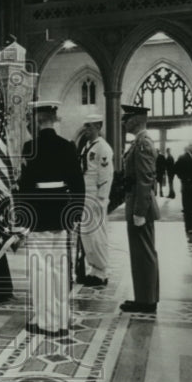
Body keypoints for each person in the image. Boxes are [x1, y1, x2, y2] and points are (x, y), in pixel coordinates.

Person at [17, 101, 85, 338]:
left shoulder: (29, 147)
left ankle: (47, 322)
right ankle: (62, 317)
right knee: (59, 268)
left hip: (38, 216)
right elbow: (78, 182)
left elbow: (24, 187)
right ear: (54, 120)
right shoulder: (67, 146)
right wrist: (75, 213)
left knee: (41, 270)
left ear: (36, 120)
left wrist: (21, 218)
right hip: (61, 214)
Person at [119, 105, 160, 315]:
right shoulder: (139, 142)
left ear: (137, 119)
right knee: (141, 253)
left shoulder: (143, 143)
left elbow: (145, 178)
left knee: (143, 253)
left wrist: (140, 211)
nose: (124, 121)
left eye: (127, 118)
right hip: (136, 201)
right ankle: (145, 297)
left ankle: (146, 301)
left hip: (139, 204)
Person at [77, 113, 113, 287]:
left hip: (95, 195)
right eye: (85, 126)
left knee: (97, 234)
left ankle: (102, 271)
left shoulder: (103, 148)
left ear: (98, 127)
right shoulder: (87, 147)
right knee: (87, 234)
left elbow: (106, 175)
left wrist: (102, 198)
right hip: (85, 195)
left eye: (90, 126)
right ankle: (93, 269)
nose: (86, 130)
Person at [173, 141, 192, 234]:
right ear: (188, 146)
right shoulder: (182, 157)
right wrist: (184, 179)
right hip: (187, 185)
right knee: (187, 207)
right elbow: (176, 169)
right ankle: (188, 228)